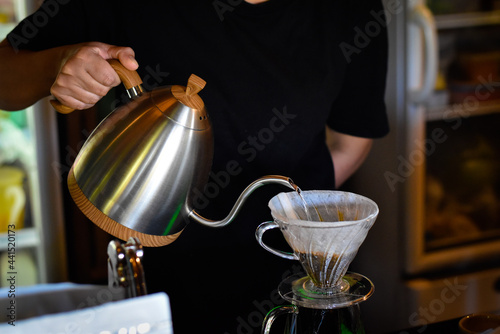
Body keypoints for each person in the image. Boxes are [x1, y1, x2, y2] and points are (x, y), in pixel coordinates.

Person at [0, 0, 389, 332]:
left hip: (298, 271)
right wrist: (58, 65)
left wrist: (293, 222)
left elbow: (350, 141)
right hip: (162, 268)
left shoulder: (352, 8)